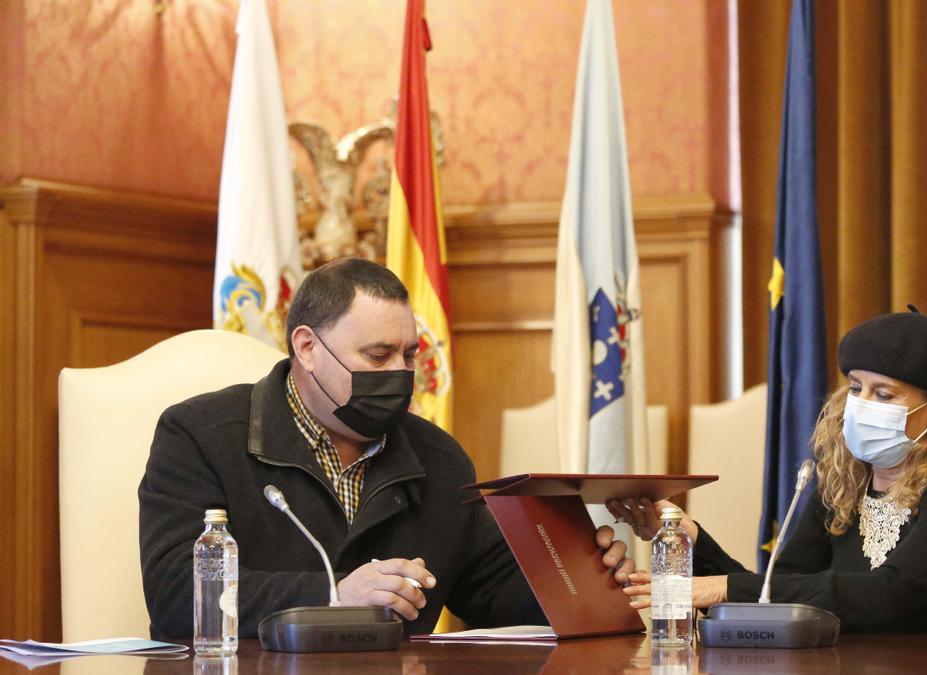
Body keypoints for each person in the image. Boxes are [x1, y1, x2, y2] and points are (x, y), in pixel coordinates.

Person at [139, 258, 634, 639]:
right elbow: (178, 594)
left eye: (409, 355)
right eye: (378, 356)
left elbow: (489, 588)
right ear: (307, 348)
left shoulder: (438, 458)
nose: (400, 373)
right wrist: (332, 596)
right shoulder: (199, 435)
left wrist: (576, 580)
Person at [611, 310, 927, 635]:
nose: (860, 404)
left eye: (883, 394)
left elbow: (891, 594)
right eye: (855, 387)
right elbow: (780, 590)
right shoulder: (841, 484)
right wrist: (694, 541)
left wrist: (723, 588)